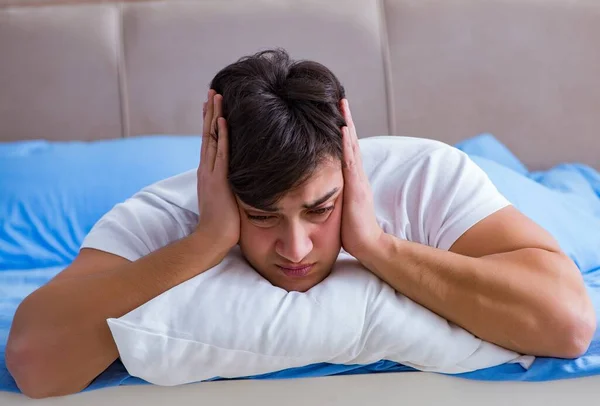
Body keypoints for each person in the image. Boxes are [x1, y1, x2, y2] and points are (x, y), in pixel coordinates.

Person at [6, 49, 595, 399]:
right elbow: (34, 362)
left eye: (320, 210)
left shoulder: (424, 175)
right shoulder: (168, 213)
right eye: (261, 217)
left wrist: (376, 245)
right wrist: (207, 242)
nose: (296, 247)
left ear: (349, 164)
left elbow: (567, 324)